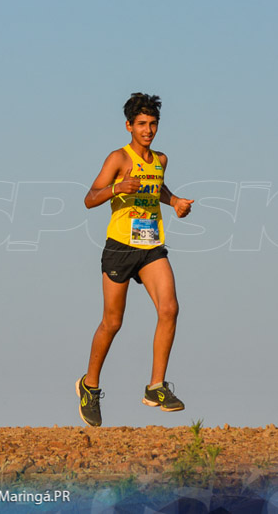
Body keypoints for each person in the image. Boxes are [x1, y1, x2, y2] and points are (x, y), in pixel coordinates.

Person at [76, 93, 194, 427]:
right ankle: (90, 386)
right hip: (120, 247)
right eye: (141, 124)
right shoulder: (118, 158)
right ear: (129, 126)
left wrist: (176, 202)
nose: (148, 130)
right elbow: (89, 199)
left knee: (169, 309)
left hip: (151, 245)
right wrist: (117, 188)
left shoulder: (160, 160)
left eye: (152, 124)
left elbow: (157, 189)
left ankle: (156, 386)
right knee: (112, 323)